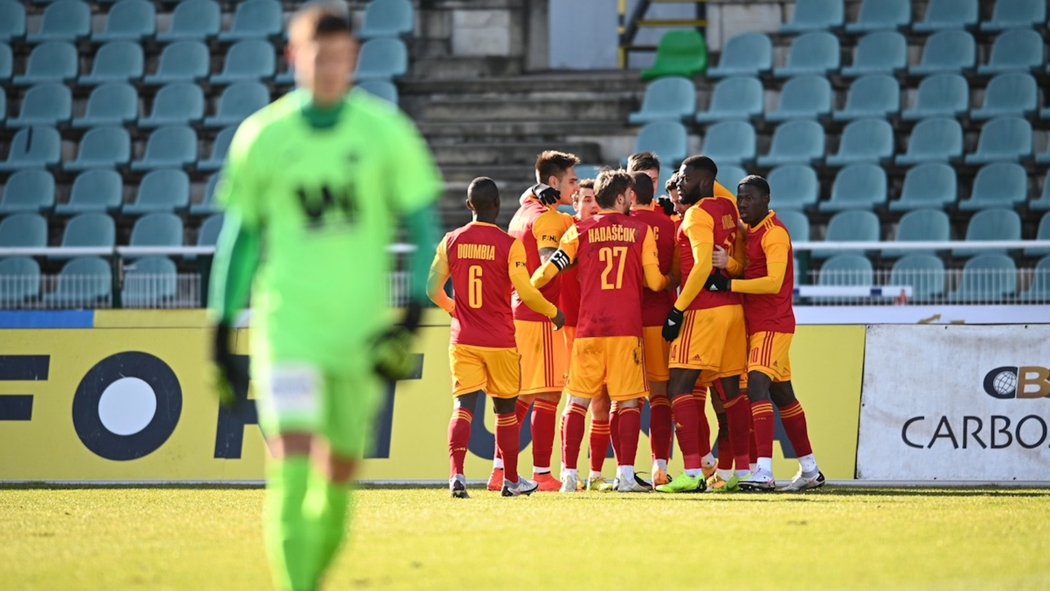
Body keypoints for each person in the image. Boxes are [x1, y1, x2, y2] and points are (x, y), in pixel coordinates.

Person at [208, 4, 442, 590]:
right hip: (289, 330)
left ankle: (309, 577)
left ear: (355, 59)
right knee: (290, 459)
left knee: (338, 473)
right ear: (295, 57)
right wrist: (219, 331)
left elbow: (420, 226)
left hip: (358, 336)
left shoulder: (385, 132)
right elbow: (241, 239)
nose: (329, 69)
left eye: (340, 58)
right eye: (318, 56)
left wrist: (411, 314)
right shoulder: (263, 136)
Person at [532, 169, 670, 493]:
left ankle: (568, 475)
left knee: (577, 403)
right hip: (626, 330)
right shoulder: (641, 231)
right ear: (622, 197)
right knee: (627, 404)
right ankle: (624, 475)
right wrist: (670, 281)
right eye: (630, 195)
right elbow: (654, 282)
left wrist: (525, 288)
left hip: (589, 329)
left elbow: (548, 271)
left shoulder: (579, 232)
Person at [427, 177, 565, 499]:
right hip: (501, 340)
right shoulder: (508, 245)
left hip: (463, 340)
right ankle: (512, 480)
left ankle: (457, 475)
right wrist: (553, 312)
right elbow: (527, 291)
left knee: (463, 406)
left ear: (468, 206)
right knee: (505, 412)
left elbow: (431, 289)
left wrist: (452, 309)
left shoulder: (451, 240)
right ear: (498, 207)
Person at [707, 175, 824, 492]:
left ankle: (764, 471)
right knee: (783, 396)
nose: (743, 203)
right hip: (760, 324)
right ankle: (810, 469)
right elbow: (728, 198)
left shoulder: (774, 235)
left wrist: (730, 282)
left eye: (750, 198)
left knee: (756, 389)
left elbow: (773, 282)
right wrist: (708, 179)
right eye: (741, 198)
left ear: (767, 200)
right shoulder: (752, 230)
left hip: (772, 324)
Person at [658, 155, 751, 494]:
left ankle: (694, 472)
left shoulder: (697, 214)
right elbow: (735, 263)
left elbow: (700, 267)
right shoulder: (727, 209)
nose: (679, 182)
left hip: (702, 311)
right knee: (731, 397)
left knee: (679, 389)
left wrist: (677, 310)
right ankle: (741, 470)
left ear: (703, 178)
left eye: (685, 177)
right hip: (731, 310)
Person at [494, 151, 580, 492]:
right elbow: (546, 267)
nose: (575, 189)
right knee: (547, 394)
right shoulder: (547, 219)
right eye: (572, 181)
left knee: (524, 396)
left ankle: (502, 470)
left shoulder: (522, 212)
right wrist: (575, 254)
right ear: (554, 182)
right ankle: (542, 472)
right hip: (541, 314)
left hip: (520, 314)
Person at [562, 179, 616, 492]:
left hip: (603, 329)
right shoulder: (569, 231)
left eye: (596, 199)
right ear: (575, 204)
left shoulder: (614, 232)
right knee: (574, 399)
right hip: (571, 327)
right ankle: (566, 472)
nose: (591, 205)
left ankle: (595, 474)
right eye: (585, 199)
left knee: (603, 403)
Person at [627, 171, 677, 486]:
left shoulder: (623, 227)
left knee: (625, 399)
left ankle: (623, 471)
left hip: (627, 323)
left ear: (629, 195)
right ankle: (660, 466)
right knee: (661, 397)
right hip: (661, 319)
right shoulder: (670, 226)